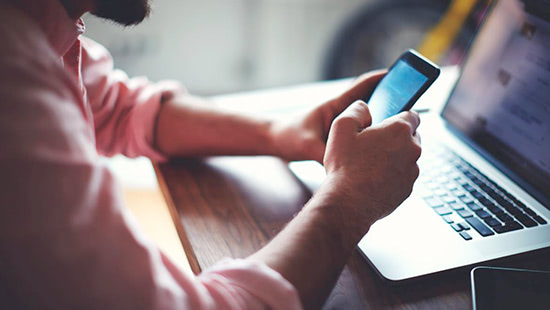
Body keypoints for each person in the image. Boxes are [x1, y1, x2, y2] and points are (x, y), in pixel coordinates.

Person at [0, 0, 421, 309]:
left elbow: (114, 107)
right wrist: (348, 201)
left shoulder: (36, 23)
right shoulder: (12, 74)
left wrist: (282, 132)